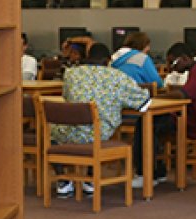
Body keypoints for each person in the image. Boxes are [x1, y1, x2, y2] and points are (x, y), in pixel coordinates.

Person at [53, 43, 151, 197]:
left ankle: (63, 181)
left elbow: (67, 97)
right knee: (98, 128)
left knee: (50, 134)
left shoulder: (71, 74)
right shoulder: (116, 76)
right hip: (100, 134)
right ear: (108, 60)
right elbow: (144, 102)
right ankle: (90, 179)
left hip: (68, 132)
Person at [130, 43, 196, 188]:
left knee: (146, 124)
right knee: (149, 122)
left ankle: (145, 173)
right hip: (189, 117)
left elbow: (184, 94)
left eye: (173, 62)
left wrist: (156, 98)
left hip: (195, 122)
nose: (171, 67)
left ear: (184, 58)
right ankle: (156, 171)